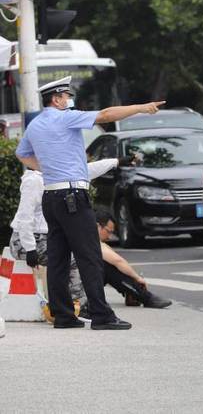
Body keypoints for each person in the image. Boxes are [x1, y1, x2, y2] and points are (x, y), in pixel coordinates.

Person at [15, 76, 164, 330]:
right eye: (66, 96)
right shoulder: (66, 117)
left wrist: (49, 168)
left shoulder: (35, 125)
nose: (69, 100)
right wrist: (141, 107)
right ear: (57, 99)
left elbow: (22, 154)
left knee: (58, 259)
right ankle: (101, 315)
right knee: (90, 256)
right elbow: (106, 114)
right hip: (73, 196)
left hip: (52, 197)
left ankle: (63, 315)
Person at [9, 157, 135, 317]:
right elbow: (24, 216)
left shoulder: (58, 177)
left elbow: (88, 170)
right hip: (24, 241)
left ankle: (69, 305)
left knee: (78, 257)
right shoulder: (33, 181)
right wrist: (30, 248)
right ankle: (79, 305)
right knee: (71, 260)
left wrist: (116, 162)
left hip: (46, 238)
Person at [78, 212, 171, 320]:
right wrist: (137, 278)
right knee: (107, 266)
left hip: (78, 284)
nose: (109, 236)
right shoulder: (87, 239)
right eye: (108, 231)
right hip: (76, 288)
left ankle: (133, 293)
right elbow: (118, 261)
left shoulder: (85, 238)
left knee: (109, 267)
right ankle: (145, 297)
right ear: (97, 226)